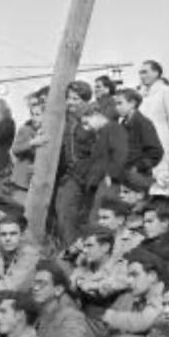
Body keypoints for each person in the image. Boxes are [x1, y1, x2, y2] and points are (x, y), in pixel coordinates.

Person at [53, 81, 98, 243]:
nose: (70, 102)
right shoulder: (67, 119)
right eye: (68, 98)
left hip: (88, 174)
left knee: (80, 213)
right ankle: (70, 248)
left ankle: (76, 249)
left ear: (85, 100)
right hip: (71, 172)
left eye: (75, 99)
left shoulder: (93, 117)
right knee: (64, 210)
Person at [137, 60, 169, 192]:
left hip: (162, 142)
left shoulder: (167, 91)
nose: (142, 76)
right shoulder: (142, 94)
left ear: (156, 73)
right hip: (144, 146)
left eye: (145, 72)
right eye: (140, 73)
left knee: (162, 185)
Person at [112, 88, 164, 194]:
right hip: (124, 176)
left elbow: (156, 152)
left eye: (120, 103)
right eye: (115, 104)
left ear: (132, 103)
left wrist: (137, 167)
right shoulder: (123, 124)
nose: (116, 107)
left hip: (138, 177)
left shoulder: (143, 123)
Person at [0, 214, 40, 294]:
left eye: (13, 234)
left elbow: (12, 286)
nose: (8, 238)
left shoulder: (29, 255)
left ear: (21, 235)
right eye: (3, 234)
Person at [7, 97, 48, 204]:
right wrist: (32, 143)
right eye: (32, 114)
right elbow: (15, 150)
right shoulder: (25, 130)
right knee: (20, 208)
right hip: (22, 180)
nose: (34, 118)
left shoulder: (48, 133)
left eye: (37, 115)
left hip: (38, 181)